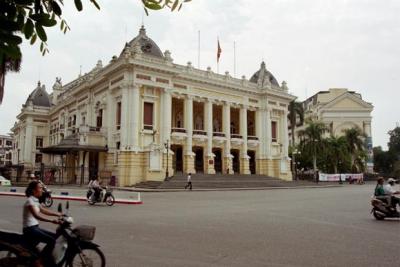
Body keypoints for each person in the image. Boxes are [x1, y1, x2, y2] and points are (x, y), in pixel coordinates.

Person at [23, 180, 62, 267]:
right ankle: (40, 260)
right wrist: (52, 220)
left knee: (56, 237)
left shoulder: (35, 200)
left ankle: (47, 258)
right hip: (30, 229)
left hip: (35, 228)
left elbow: (43, 210)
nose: (42, 190)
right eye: (40, 188)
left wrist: (58, 214)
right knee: (51, 240)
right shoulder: (30, 201)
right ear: (34, 190)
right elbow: (37, 216)